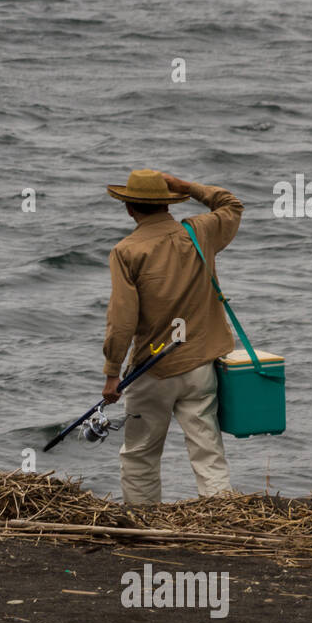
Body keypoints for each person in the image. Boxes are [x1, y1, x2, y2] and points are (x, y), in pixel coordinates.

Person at [101, 169, 244, 504]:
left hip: (151, 371)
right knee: (208, 451)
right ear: (168, 204)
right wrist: (188, 186)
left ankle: (144, 526)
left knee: (140, 455)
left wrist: (111, 375)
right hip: (200, 366)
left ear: (129, 209)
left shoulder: (126, 251)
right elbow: (231, 205)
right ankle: (221, 519)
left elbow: (122, 320)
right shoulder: (200, 232)